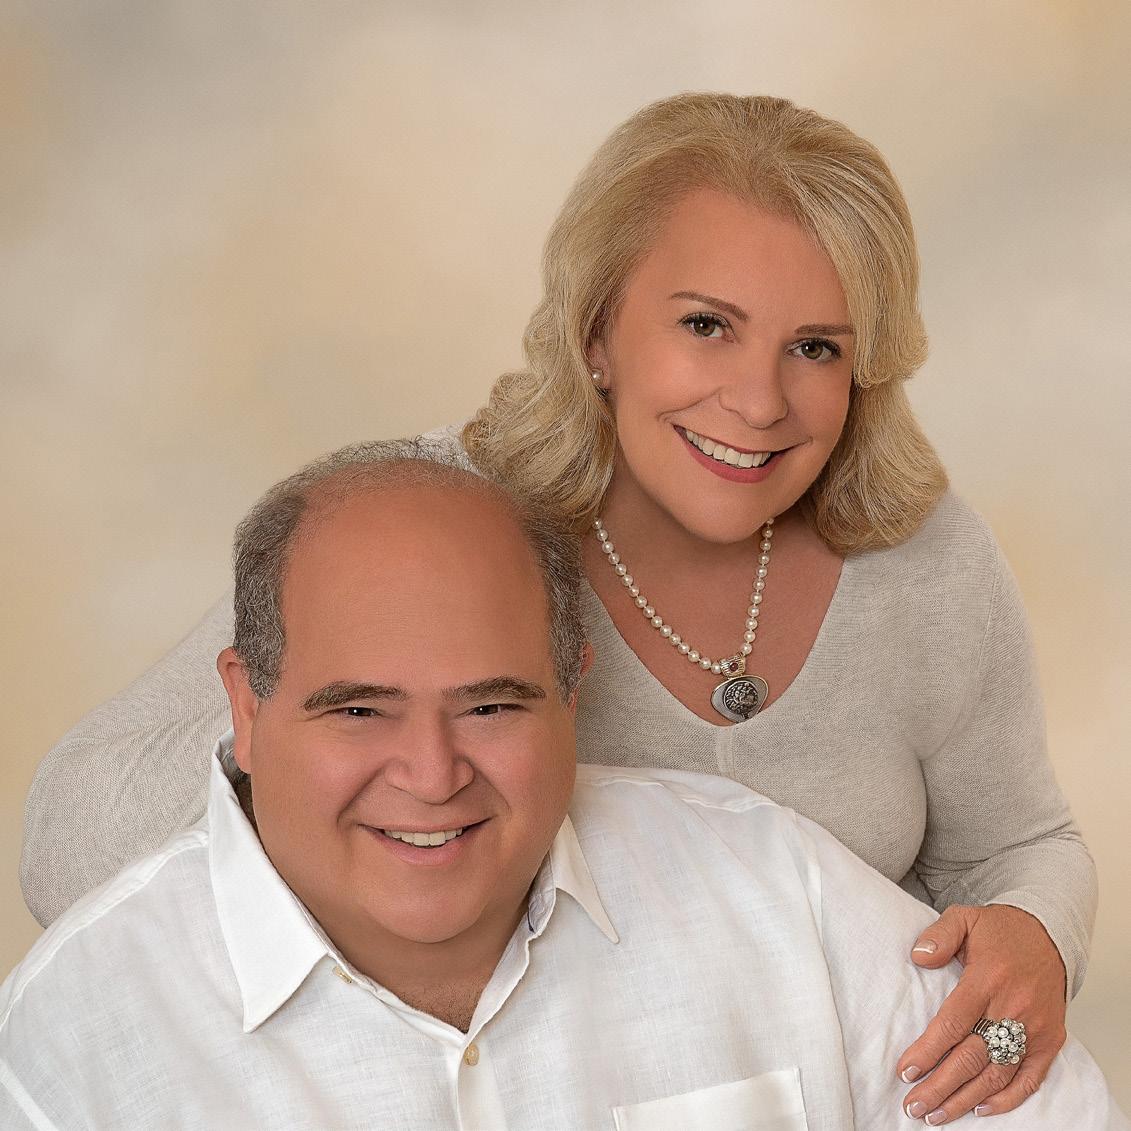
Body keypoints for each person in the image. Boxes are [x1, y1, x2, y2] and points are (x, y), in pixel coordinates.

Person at [20, 94, 1096, 1121]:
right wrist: (353, 713)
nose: (758, 401)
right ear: (596, 335)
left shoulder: (926, 560)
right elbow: (69, 852)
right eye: (707, 325)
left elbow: (1019, 840)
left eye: (816, 346)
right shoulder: (443, 528)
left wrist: (1037, 936)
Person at [2, 447, 1123, 1130]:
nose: (432, 775)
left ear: (571, 690)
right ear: (245, 709)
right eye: (359, 711)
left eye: (491, 706)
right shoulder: (61, 1053)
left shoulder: (784, 894)